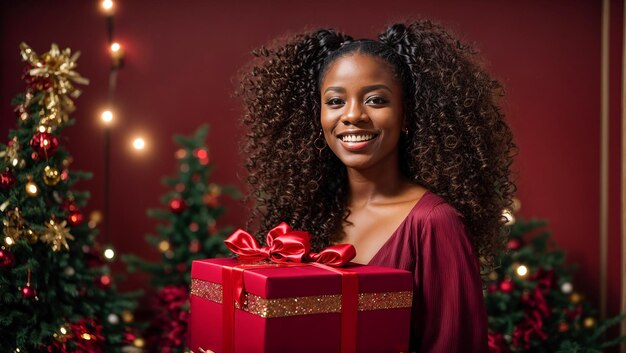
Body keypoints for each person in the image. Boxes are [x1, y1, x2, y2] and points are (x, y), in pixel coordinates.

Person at [237, 20, 516, 353]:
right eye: (336, 102)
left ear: (408, 115)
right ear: (317, 116)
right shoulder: (307, 215)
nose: (353, 115)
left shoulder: (434, 224)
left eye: (376, 100)